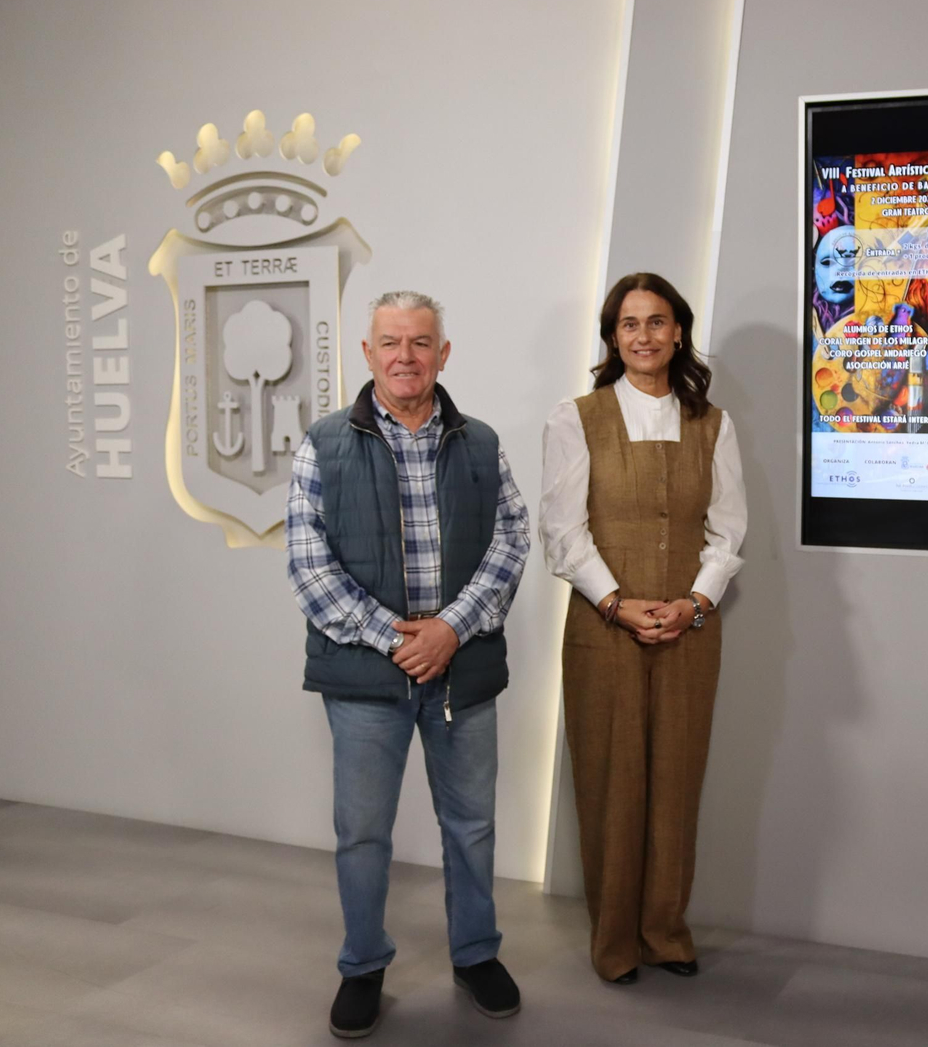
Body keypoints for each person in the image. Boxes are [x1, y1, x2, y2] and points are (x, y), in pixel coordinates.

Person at [285, 290, 529, 1039]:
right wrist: (398, 640)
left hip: (463, 667)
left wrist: (450, 629)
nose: (405, 357)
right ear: (368, 353)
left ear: (442, 354)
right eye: (390, 342)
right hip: (366, 676)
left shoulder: (481, 443)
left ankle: (476, 953)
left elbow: (512, 540)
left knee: (472, 826)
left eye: (421, 343)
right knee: (362, 833)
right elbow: (308, 564)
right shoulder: (323, 444)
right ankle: (362, 964)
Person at [539, 272, 746, 984]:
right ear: (612, 336)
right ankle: (615, 942)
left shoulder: (712, 423)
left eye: (657, 321)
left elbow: (728, 530)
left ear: (678, 332)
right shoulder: (576, 418)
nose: (644, 336)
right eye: (629, 324)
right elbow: (563, 531)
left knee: (676, 779)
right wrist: (616, 602)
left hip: (690, 629)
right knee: (611, 780)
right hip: (603, 629)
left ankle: (665, 930)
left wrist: (695, 602)